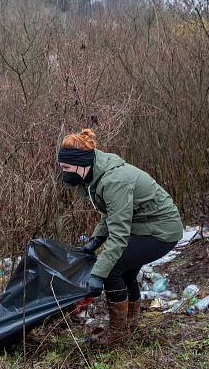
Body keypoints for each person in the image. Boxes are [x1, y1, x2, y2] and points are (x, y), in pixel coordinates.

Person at [58, 129, 183, 345]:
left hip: (161, 230)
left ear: (81, 164)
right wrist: (96, 240)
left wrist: (97, 275)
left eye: (66, 168)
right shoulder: (97, 173)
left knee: (112, 269)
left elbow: (119, 234)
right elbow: (111, 213)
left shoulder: (114, 180)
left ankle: (117, 333)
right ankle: (131, 327)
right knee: (125, 271)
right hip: (145, 225)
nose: (64, 174)